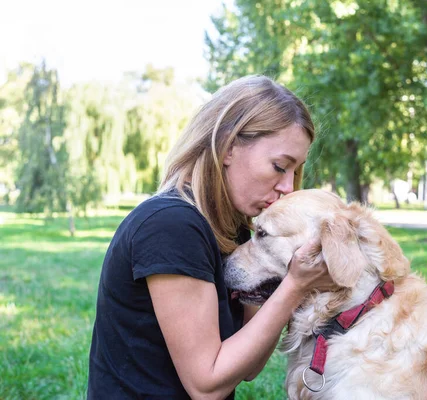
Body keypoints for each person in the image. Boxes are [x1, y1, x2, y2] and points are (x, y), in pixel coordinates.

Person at [87, 75, 336, 399]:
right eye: (279, 166)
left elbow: (248, 368)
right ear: (228, 146)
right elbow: (207, 385)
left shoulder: (231, 228)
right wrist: (295, 285)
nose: (288, 186)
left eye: (295, 171)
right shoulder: (171, 226)